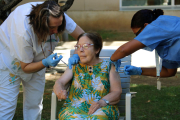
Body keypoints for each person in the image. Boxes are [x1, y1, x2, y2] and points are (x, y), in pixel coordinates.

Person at [0, 1, 84, 120]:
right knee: (7, 104)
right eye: (52, 28)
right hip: (9, 60)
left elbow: (83, 37)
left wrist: (77, 54)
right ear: (40, 24)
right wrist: (45, 62)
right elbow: (25, 67)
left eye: (59, 26)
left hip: (38, 59)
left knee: (34, 103)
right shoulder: (23, 31)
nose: (56, 31)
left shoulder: (57, 15)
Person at [53, 32, 122, 120]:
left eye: (85, 46)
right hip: (74, 107)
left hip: (102, 107)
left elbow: (116, 92)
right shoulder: (74, 65)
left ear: (97, 49)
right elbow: (60, 82)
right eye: (78, 46)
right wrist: (60, 91)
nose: (81, 50)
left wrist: (101, 102)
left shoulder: (109, 66)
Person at [111, 9, 180, 77]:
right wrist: (139, 70)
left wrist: (111, 61)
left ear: (146, 26)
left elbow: (123, 50)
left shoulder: (156, 26)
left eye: (138, 34)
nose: (139, 38)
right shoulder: (164, 41)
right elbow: (168, 72)